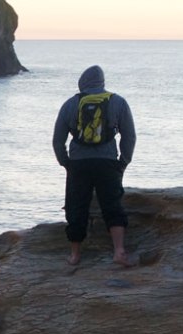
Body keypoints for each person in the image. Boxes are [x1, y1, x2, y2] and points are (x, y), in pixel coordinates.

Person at [53, 65, 136, 266]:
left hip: (78, 163)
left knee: (76, 206)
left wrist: (66, 163)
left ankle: (75, 255)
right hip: (107, 162)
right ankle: (119, 251)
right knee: (112, 205)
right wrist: (123, 162)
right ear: (102, 82)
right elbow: (129, 136)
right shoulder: (118, 102)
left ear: (82, 83)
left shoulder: (70, 104)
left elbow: (57, 140)